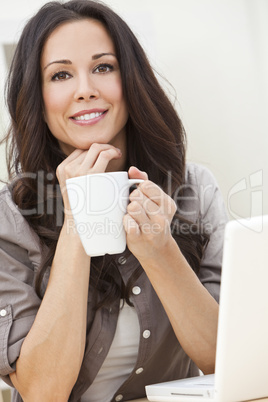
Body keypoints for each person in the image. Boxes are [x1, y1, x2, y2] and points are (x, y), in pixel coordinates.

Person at [0, 1, 228, 401]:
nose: (85, 89)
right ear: (37, 96)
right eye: (61, 74)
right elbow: (42, 392)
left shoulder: (195, 191)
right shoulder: (8, 219)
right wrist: (77, 219)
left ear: (132, 79)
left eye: (103, 67)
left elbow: (223, 364)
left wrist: (160, 251)